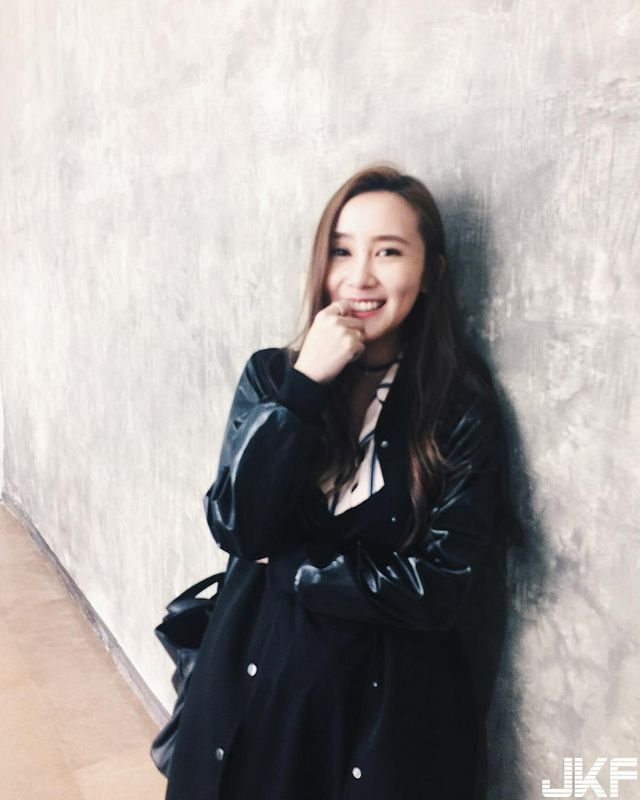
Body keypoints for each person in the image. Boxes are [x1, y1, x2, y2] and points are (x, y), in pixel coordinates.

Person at [163, 163, 507, 800]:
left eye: (389, 252)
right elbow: (237, 526)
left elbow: (437, 588)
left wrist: (293, 566)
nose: (360, 277)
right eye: (343, 251)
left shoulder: (458, 410)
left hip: (377, 723)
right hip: (250, 693)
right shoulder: (272, 378)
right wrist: (304, 390)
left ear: (430, 272)